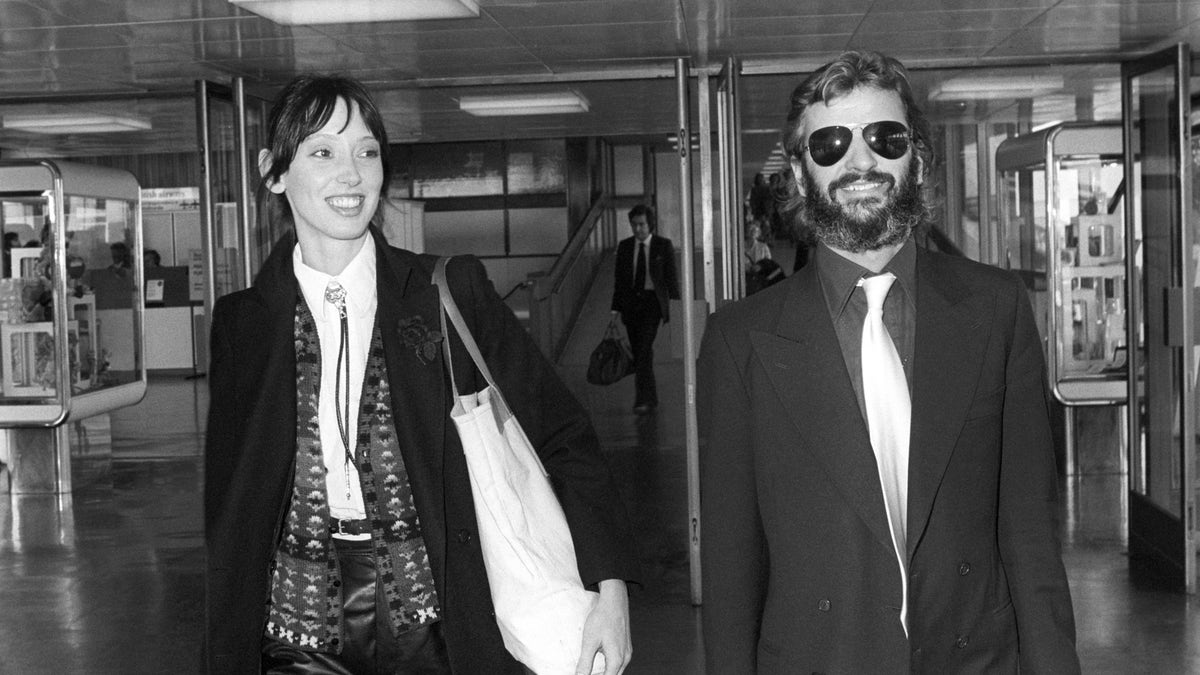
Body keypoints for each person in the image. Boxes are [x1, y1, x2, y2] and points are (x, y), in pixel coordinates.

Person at [204, 74, 637, 675]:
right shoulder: (243, 325)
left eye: (366, 151)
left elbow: (563, 435)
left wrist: (609, 589)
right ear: (274, 171)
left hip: (430, 623)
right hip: (293, 630)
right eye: (323, 152)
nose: (351, 174)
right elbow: (230, 509)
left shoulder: (445, 292)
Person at [698, 50, 1079, 673]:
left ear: (918, 158)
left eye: (885, 137)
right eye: (830, 144)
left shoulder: (995, 309)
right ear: (800, 174)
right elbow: (731, 571)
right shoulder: (740, 342)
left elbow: (1031, 535)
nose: (860, 162)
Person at [610, 204, 680, 414]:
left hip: (652, 305)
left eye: (641, 224)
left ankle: (643, 399)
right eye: (634, 225)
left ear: (650, 225)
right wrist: (615, 310)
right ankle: (650, 397)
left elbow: (671, 280)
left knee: (642, 350)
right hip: (631, 305)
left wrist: (676, 309)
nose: (638, 229)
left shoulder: (663, 246)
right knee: (642, 351)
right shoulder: (624, 247)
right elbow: (619, 282)